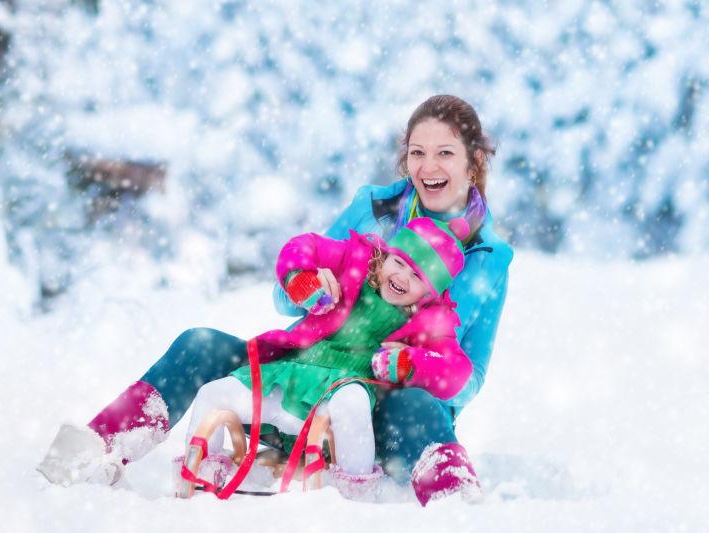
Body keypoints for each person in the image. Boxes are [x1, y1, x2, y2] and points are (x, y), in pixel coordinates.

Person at [37, 95, 513, 506]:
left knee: (419, 407)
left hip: (379, 410)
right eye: (417, 152)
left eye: (445, 153)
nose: (428, 167)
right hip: (305, 373)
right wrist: (307, 285)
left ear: (472, 162)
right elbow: (289, 289)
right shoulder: (375, 211)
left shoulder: (489, 259)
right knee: (200, 344)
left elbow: (470, 375)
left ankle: (458, 505)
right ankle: (94, 451)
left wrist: (409, 368)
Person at [175, 216, 472, 500]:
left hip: (344, 390)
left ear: (430, 293)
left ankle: (355, 494)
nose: (401, 277)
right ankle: (201, 476)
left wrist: (410, 363)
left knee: (352, 402)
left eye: (417, 276)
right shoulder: (354, 262)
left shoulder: (430, 321)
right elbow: (303, 246)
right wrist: (299, 277)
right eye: (398, 262)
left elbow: (456, 371)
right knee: (212, 394)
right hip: (293, 374)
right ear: (387, 256)